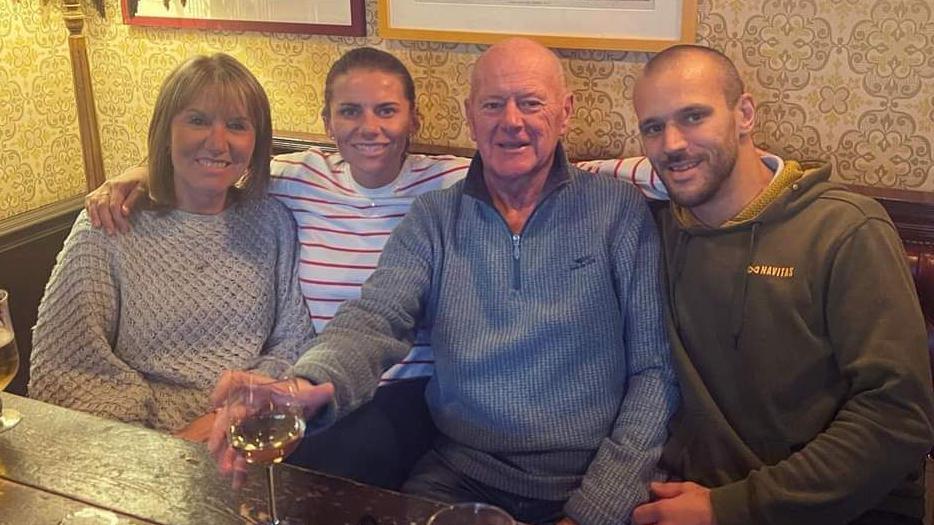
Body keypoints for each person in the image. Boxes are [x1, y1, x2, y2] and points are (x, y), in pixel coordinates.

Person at [84, 47, 668, 488]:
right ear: (470, 116)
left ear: (565, 113)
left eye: (532, 102)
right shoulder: (428, 211)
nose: (511, 120)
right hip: (451, 462)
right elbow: (376, 316)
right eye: (493, 104)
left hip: (579, 472)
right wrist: (302, 385)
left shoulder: (613, 208)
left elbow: (653, 373)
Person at [622, 45, 934, 525]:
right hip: (680, 498)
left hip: (827, 510)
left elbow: (897, 417)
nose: (673, 144)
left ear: (744, 114)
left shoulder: (843, 230)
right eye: (653, 127)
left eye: (693, 116)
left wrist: (731, 508)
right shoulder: (652, 231)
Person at [29, 53, 316, 438]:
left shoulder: (273, 222)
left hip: (248, 432)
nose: (218, 143)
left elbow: (294, 341)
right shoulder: (109, 223)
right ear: (166, 130)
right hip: (129, 443)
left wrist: (234, 411)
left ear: (256, 141)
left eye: (236, 125)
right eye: (198, 120)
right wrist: (159, 443)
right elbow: (66, 366)